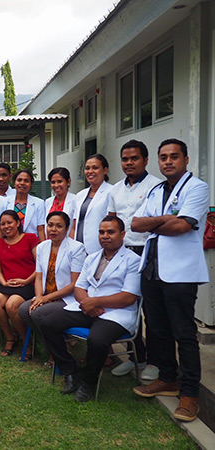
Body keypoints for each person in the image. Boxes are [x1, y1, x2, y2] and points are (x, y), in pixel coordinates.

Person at [131, 138, 210, 422]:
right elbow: (135, 224)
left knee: (184, 333)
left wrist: (157, 221)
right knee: (157, 328)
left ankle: (189, 394)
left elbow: (182, 226)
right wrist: (166, 218)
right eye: (163, 157)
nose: (168, 161)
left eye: (174, 156)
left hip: (180, 274)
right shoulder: (156, 190)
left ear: (185, 159)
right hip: (152, 269)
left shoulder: (197, 188)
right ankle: (167, 378)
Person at [40, 216, 141, 402]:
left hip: (116, 314)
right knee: (48, 323)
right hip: (87, 307)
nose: (105, 236)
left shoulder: (133, 261)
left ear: (122, 234)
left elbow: (129, 297)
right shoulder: (93, 257)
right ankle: (70, 372)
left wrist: (94, 302)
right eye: (101, 232)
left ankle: (88, 383)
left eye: (110, 232)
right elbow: (79, 287)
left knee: (97, 339)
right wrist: (88, 303)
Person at [107, 140, 161, 381]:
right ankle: (137, 357)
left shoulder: (156, 187)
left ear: (145, 160)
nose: (129, 163)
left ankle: (155, 362)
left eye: (134, 158)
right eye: (125, 159)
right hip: (122, 253)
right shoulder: (115, 190)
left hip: (148, 252)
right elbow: (112, 222)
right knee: (127, 308)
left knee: (151, 310)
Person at [18, 212, 86, 362]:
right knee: (23, 309)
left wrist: (46, 298)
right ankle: (55, 342)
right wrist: (39, 297)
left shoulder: (76, 248)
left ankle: (55, 352)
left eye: (59, 226)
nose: (53, 229)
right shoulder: (42, 247)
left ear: (67, 229)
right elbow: (39, 276)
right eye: (50, 225)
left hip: (67, 298)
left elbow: (75, 284)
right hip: (45, 296)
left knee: (38, 313)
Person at [0, 210, 40, 358]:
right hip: (7, 284)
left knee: (12, 305)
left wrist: (26, 281)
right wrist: (3, 282)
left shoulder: (30, 238)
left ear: (18, 223)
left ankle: (26, 342)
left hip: (28, 283)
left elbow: (40, 266)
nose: (6, 226)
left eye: (9, 222)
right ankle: (10, 337)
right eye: (3, 224)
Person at [70, 154, 113, 254]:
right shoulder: (80, 195)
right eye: (87, 168)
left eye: (95, 168)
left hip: (100, 248)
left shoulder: (112, 192)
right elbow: (74, 225)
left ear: (105, 170)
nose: (90, 171)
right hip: (78, 250)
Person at [5, 169, 46, 240]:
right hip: (10, 242)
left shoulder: (39, 203)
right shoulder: (5, 201)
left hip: (31, 243)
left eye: (26, 181)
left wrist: (43, 246)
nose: (22, 183)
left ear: (31, 184)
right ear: (14, 183)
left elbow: (40, 229)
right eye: (19, 180)